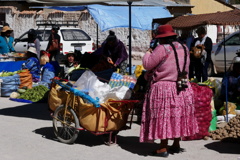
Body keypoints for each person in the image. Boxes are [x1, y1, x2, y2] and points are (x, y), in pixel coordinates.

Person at [140, 24, 198, 157]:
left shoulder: (162, 48)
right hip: (182, 87)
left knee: (163, 117)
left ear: (161, 38)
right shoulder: (184, 47)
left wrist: (148, 52)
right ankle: (176, 144)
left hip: (164, 88)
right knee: (177, 116)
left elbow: (147, 64)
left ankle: (162, 148)